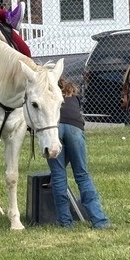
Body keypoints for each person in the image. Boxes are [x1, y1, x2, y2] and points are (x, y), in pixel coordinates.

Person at [47, 77, 110, 229]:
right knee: (82, 175)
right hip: (75, 128)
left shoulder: (47, 95)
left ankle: (65, 222)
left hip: (53, 129)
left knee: (58, 175)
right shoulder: (73, 95)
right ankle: (99, 220)